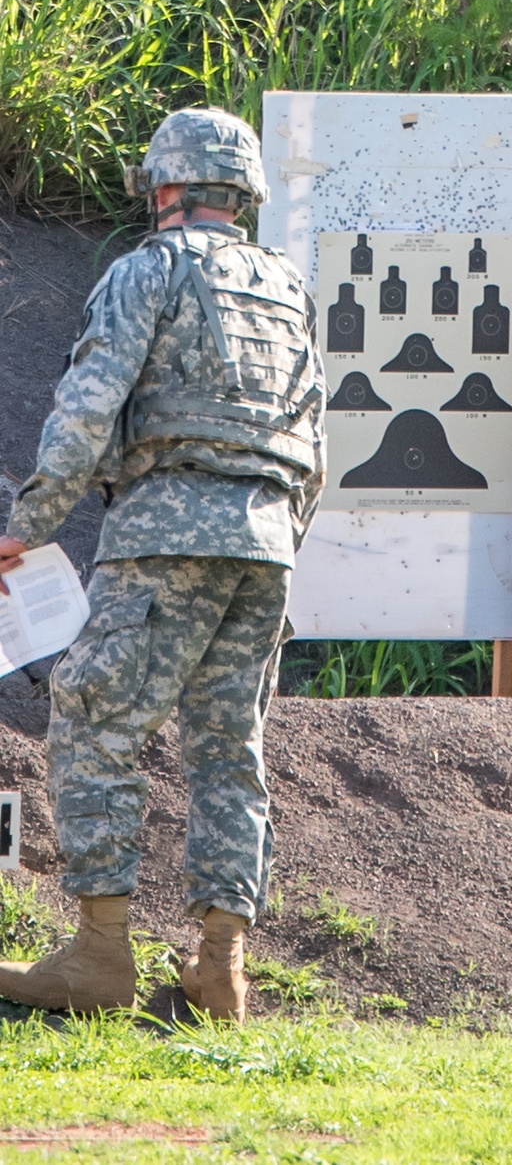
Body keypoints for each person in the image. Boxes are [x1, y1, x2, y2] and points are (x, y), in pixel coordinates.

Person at [0, 107, 326, 1021]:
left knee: (95, 715)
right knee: (231, 747)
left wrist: (30, 523)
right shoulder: (289, 289)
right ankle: (220, 969)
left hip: (162, 538)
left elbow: (87, 408)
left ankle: (101, 957)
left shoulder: (148, 271)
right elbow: (318, 440)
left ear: (165, 188)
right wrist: (274, 530)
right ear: (244, 193)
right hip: (267, 544)